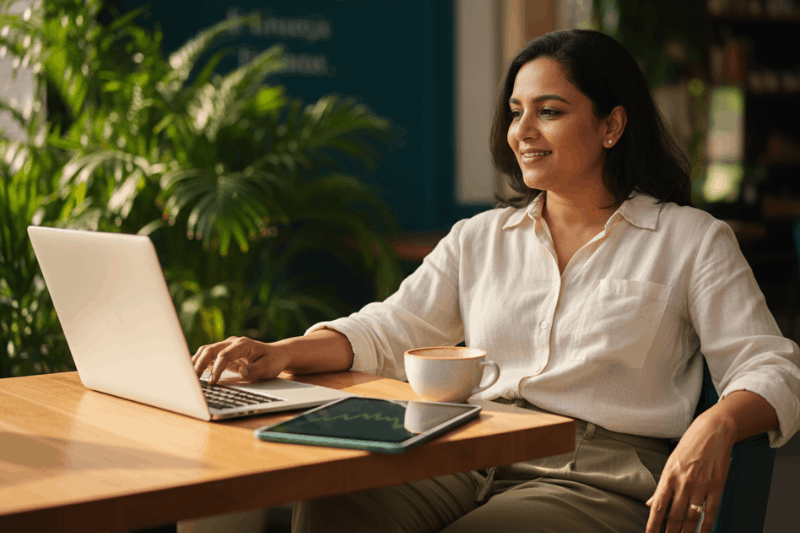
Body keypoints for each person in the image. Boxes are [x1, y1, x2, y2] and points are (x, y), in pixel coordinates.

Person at [191, 29, 800, 533]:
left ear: (611, 126)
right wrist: (278, 352)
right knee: (333, 502)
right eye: (516, 112)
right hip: (466, 446)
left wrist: (714, 423)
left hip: (597, 476)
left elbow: (772, 367)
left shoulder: (691, 239)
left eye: (550, 111)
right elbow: (392, 328)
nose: (522, 131)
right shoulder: (478, 238)